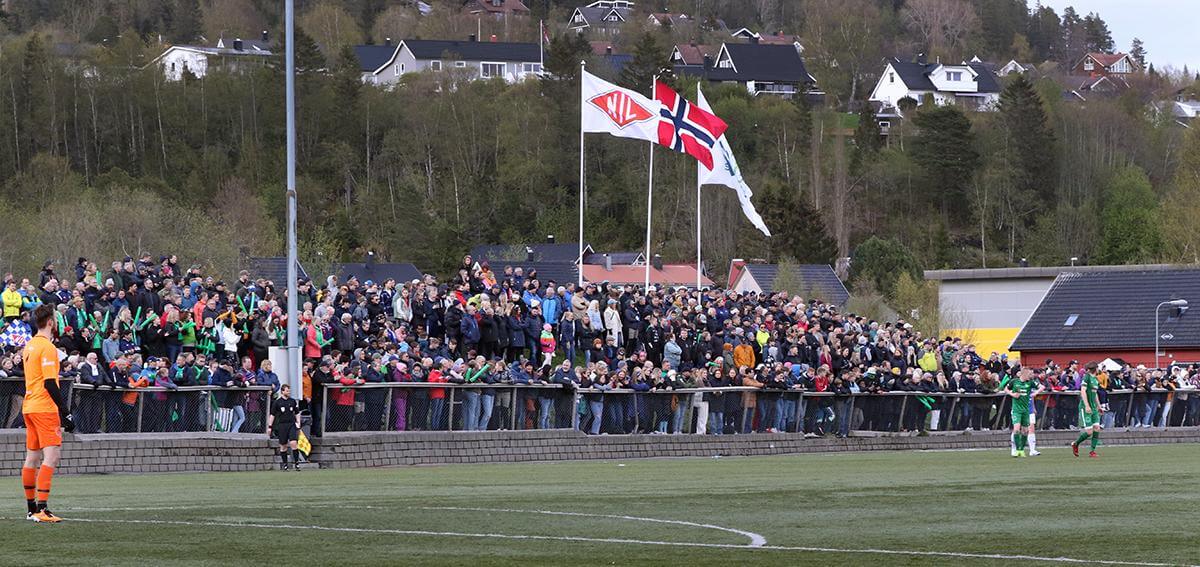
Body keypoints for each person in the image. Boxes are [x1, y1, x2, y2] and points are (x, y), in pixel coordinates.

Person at [20, 304, 74, 523]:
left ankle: (31, 508)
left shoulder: (30, 345)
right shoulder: (48, 347)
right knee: (51, 456)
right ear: (50, 322)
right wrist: (65, 412)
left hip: (30, 406)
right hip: (44, 407)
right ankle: (42, 509)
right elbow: (50, 382)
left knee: (32, 456)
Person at [1004, 367, 1042, 458]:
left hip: (1027, 410)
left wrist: (1035, 393)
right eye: (1029, 374)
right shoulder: (1014, 382)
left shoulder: (1030, 382)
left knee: (1026, 430)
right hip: (1016, 410)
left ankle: (1025, 449)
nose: (1031, 375)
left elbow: (1041, 387)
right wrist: (1013, 394)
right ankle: (1015, 449)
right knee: (1016, 429)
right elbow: (1005, 388)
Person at [268, 383, 302, 471]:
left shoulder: (292, 401)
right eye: (287, 391)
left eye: (289, 391)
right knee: (283, 446)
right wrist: (269, 426)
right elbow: (272, 415)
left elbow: (297, 412)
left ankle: (297, 463)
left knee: (293, 443)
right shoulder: (277, 402)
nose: (288, 392)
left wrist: (298, 422)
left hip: (291, 424)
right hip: (282, 425)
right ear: (282, 391)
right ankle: (285, 464)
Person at [1072, 361, 1103, 458]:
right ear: (1095, 368)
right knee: (1089, 432)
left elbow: (1095, 393)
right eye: (1098, 368)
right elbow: (1083, 391)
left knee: (1097, 428)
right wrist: (1087, 406)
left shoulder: (1096, 379)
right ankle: (1076, 443)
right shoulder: (1087, 377)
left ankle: (1092, 451)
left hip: (1094, 408)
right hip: (1085, 407)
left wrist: (1099, 406)